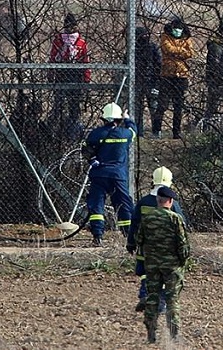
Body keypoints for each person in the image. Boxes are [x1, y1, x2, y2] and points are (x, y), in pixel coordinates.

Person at [135, 185, 190, 343]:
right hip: (172, 266)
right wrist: (183, 261)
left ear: (158, 200)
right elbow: (183, 244)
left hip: (152, 265)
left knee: (152, 297)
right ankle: (174, 335)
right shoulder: (175, 218)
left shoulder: (147, 218)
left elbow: (140, 240)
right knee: (172, 299)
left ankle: (151, 334)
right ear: (170, 201)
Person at [126, 166, 186, 313]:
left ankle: (144, 295)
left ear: (153, 180)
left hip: (145, 250)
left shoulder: (143, 202)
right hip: (166, 251)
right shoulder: (172, 204)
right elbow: (182, 225)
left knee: (147, 274)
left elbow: (134, 223)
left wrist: (131, 243)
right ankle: (161, 303)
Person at [81, 102, 136, 246]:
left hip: (99, 174)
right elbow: (134, 131)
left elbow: (85, 149)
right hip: (118, 176)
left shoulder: (96, 134)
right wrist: (127, 119)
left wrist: (92, 160)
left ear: (104, 119)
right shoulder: (125, 134)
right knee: (123, 204)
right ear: (119, 120)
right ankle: (128, 235)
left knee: (97, 204)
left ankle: (97, 236)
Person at [151, 18, 193, 140]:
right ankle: (157, 130)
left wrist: (176, 53)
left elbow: (190, 52)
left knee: (178, 105)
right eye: (176, 28)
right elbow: (168, 49)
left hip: (181, 75)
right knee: (162, 105)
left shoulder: (187, 37)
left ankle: (176, 132)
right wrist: (181, 52)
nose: (177, 31)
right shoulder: (165, 36)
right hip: (167, 75)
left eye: (180, 29)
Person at [48, 13, 90, 130]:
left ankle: (68, 128)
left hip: (71, 74)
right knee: (63, 103)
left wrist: (86, 77)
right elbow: (53, 57)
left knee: (70, 104)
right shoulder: (62, 41)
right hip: (66, 73)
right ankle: (60, 127)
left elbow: (85, 61)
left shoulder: (79, 42)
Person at [202, 22, 223, 124]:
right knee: (212, 104)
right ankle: (207, 126)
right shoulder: (217, 46)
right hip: (218, 79)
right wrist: (221, 77)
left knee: (215, 103)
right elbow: (215, 64)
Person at [133, 26, 161, 137]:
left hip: (151, 81)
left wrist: (157, 80)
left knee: (154, 107)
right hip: (137, 81)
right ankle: (139, 133)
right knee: (138, 108)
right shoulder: (134, 48)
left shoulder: (152, 47)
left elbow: (158, 63)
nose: (145, 37)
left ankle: (156, 131)